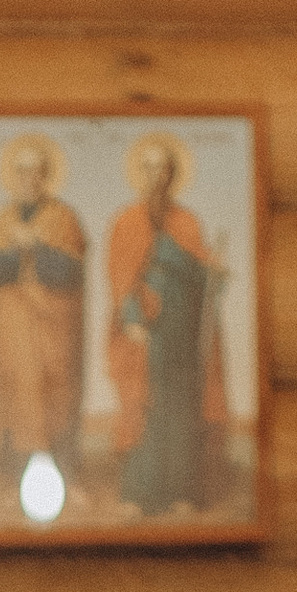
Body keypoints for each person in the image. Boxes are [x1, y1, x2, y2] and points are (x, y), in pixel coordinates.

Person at [105, 135, 227, 517]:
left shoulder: (187, 222)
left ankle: (181, 494)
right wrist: (132, 320)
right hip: (146, 330)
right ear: (139, 174)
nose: (155, 175)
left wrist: (208, 270)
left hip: (183, 330)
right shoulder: (126, 222)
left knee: (181, 407)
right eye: (148, 167)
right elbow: (120, 278)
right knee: (144, 405)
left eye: (163, 168)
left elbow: (206, 282)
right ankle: (138, 495)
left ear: (172, 175)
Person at [0, 136, 87, 493]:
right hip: (14, 327)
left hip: (52, 329)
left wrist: (35, 247)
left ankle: (64, 475)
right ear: (14, 176)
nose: (30, 180)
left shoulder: (64, 218)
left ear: (46, 176)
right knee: (18, 391)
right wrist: (17, 249)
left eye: (37, 173)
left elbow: (69, 272)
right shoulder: (2, 220)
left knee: (55, 392)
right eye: (23, 172)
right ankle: (15, 478)